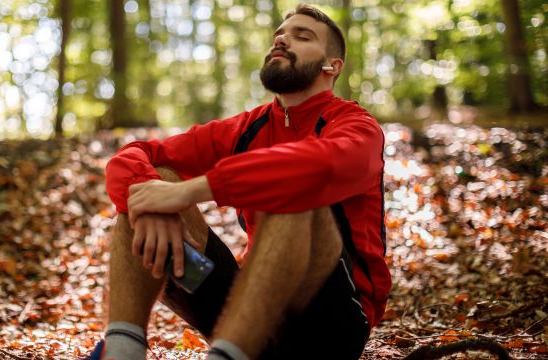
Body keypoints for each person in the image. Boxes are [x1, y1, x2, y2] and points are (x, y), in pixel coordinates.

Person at [87, 4, 391, 360]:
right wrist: (154, 205)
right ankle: (122, 350)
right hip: (250, 317)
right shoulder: (248, 127)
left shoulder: (356, 125)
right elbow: (136, 154)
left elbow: (317, 169)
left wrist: (190, 190)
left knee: (291, 192)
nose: (281, 39)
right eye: (280, 34)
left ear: (332, 66)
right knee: (150, 184)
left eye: (301, 36)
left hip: (330, 325)